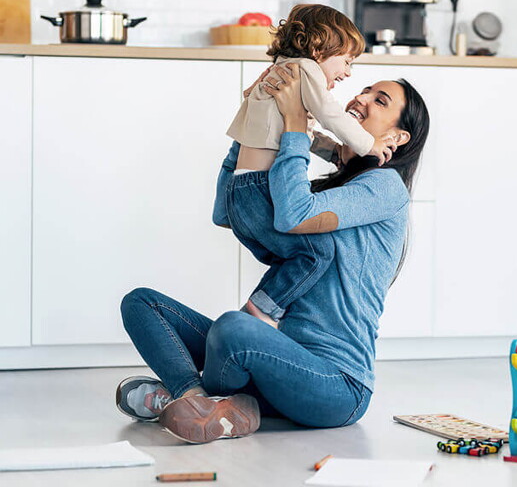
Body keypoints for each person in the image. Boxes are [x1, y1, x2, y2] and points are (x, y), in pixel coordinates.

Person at [116, 66, 430, 444]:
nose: (360, 98)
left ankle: (195, 398)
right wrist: (254, 120)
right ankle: (194, 399)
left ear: (396, 136)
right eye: (364, 90)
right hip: (279, 361)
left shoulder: (383, 187)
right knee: (141, 304)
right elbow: (226, 211)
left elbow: (295, 213)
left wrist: (296, 123)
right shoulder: (325, 191)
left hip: (337, 387)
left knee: (234, 327)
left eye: (379, 100)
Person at [223, 4, 397, 325]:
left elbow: (299, 128)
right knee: (317, 254)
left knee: (290, 258)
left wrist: (335, 152)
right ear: (318, 49)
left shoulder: (280, 70)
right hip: (261, 191)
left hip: (238, 194)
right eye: (346, 60)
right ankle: (258, 313)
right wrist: (367, 144)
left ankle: (257, 319)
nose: (347, 72)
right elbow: (329, 115)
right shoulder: (306, 70)